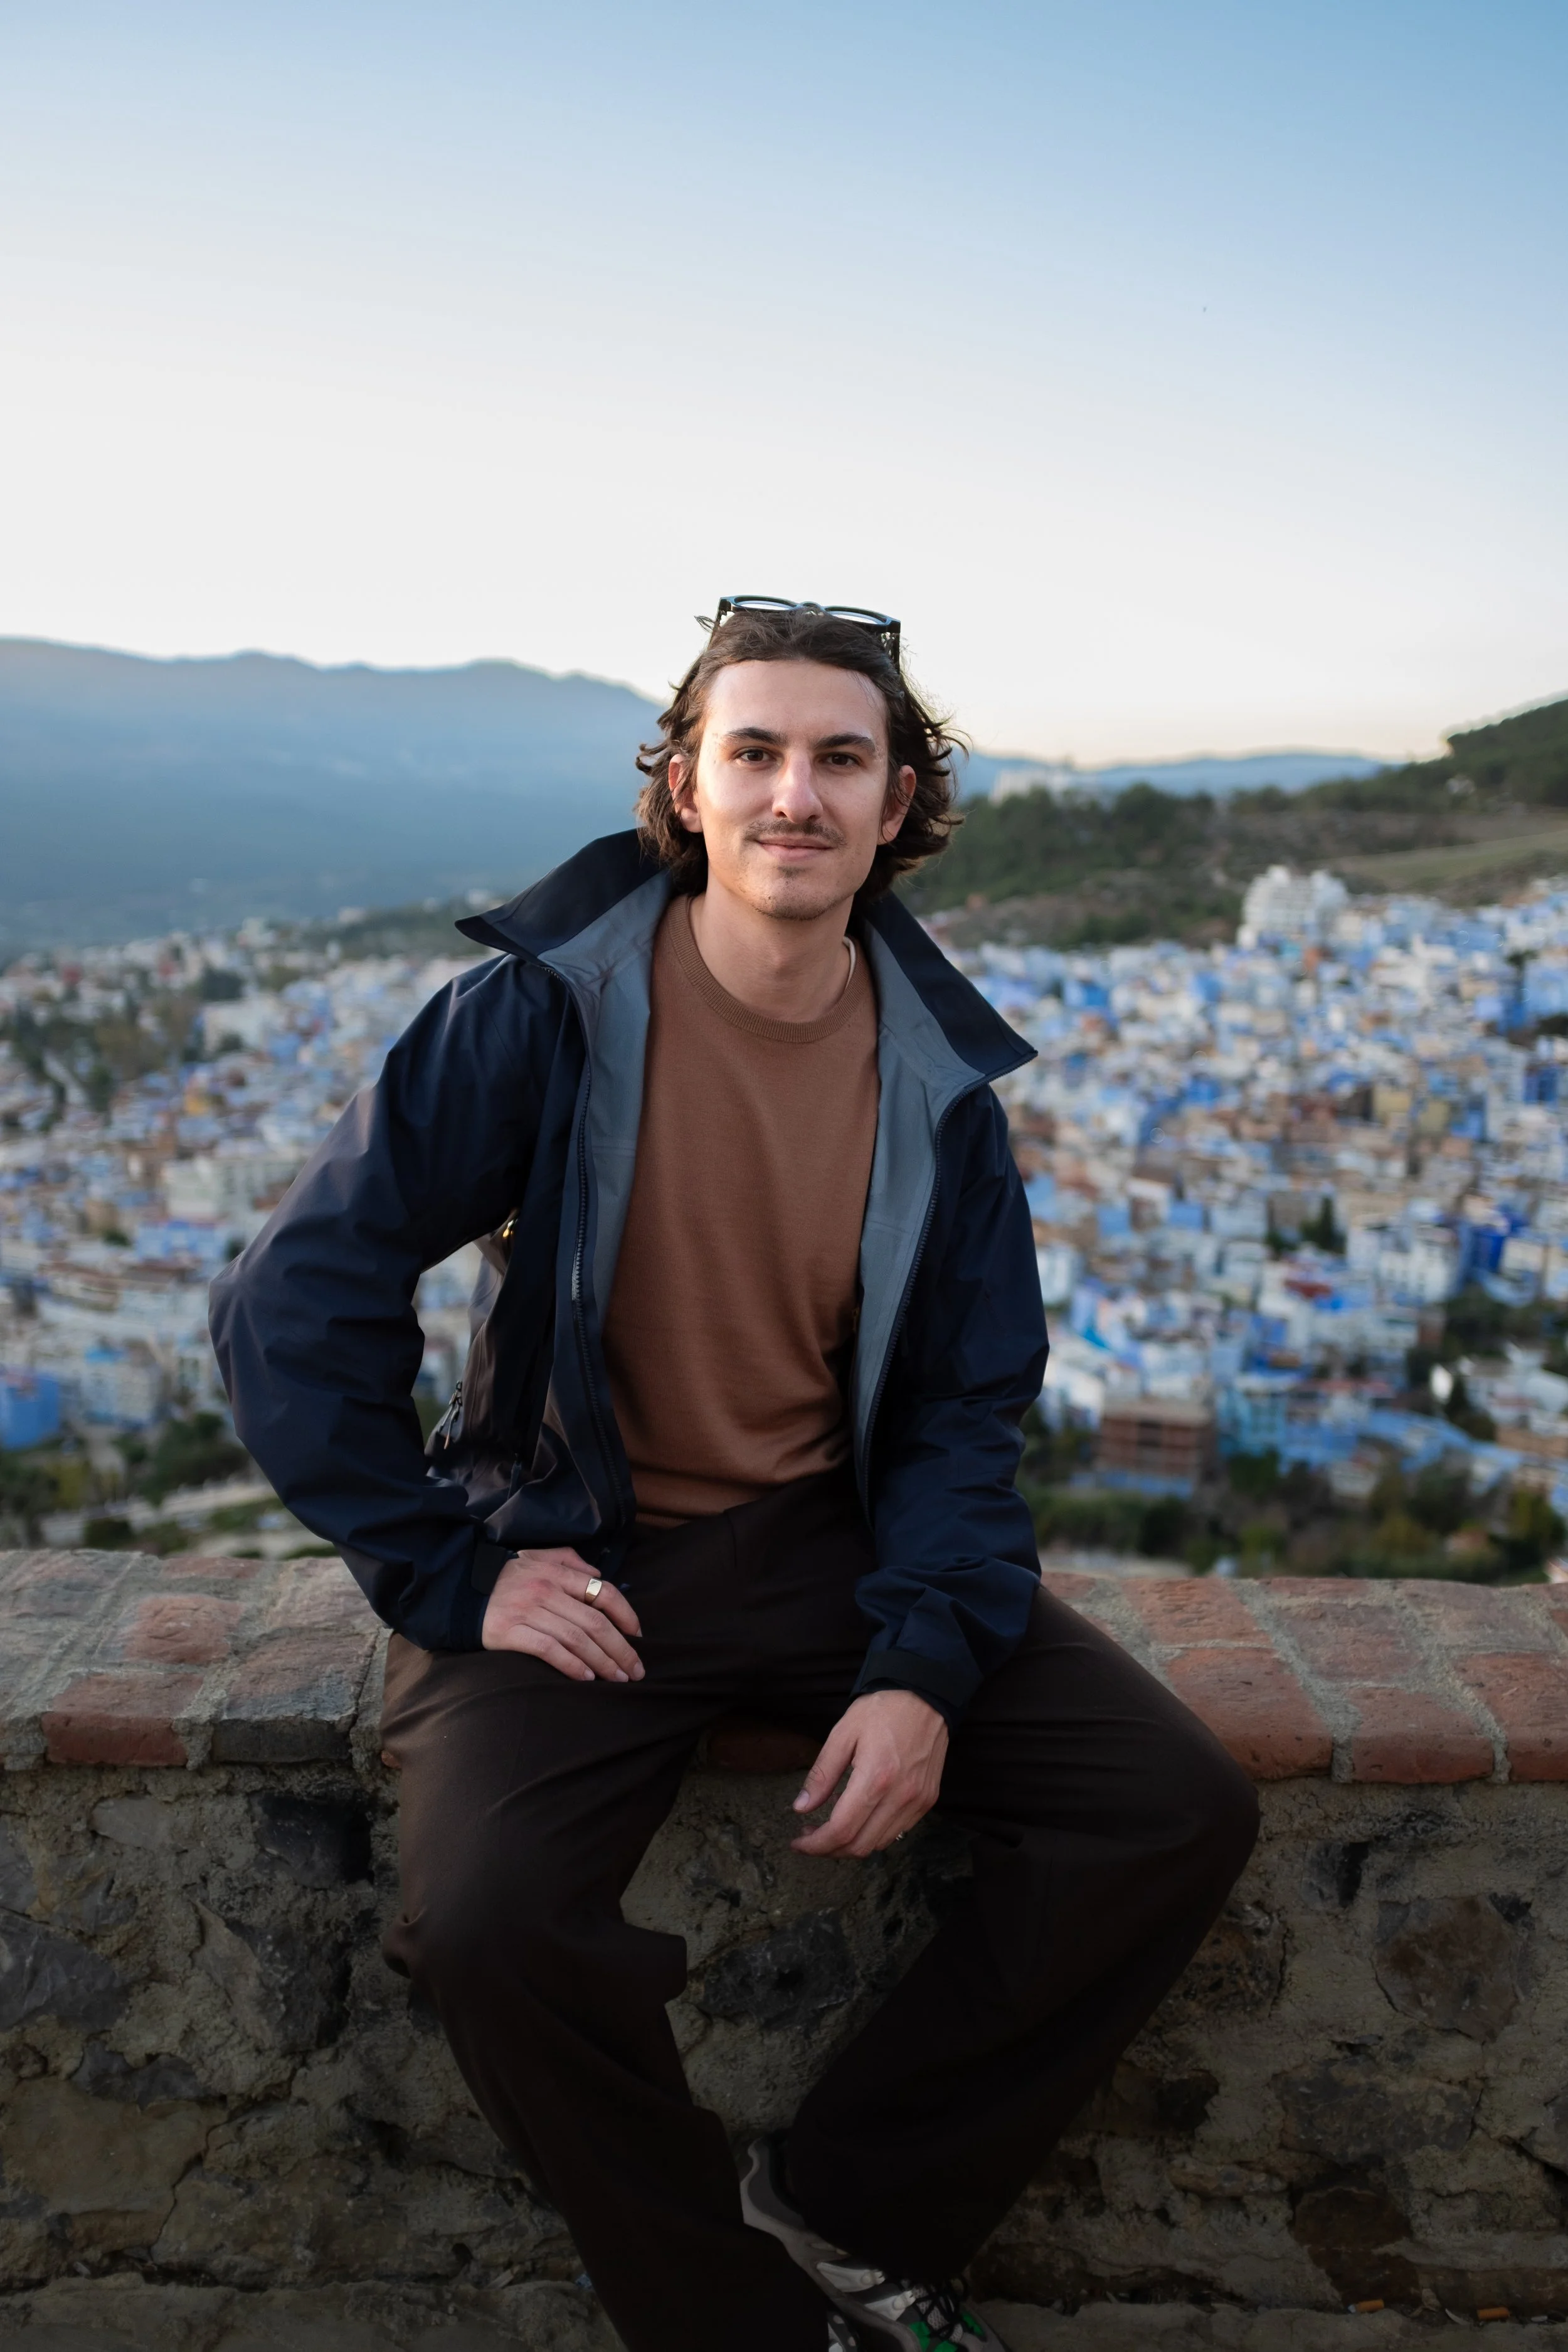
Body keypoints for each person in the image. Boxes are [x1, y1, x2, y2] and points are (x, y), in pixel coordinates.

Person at [210, 598, 1258, 2352]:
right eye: (752, 752)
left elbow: (956, 1413)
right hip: (577, 1546)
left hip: (830, 1551)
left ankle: (846, 2205)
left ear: (899, 797)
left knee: (1167, 1806)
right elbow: (288, 1297)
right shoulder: (536, 1015)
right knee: (487, 1923)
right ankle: (733, 2323)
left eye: (839, 757)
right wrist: (448, 1572)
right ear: (682, 787)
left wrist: (924, 1660)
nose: (794, 793)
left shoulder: (939, 1086)